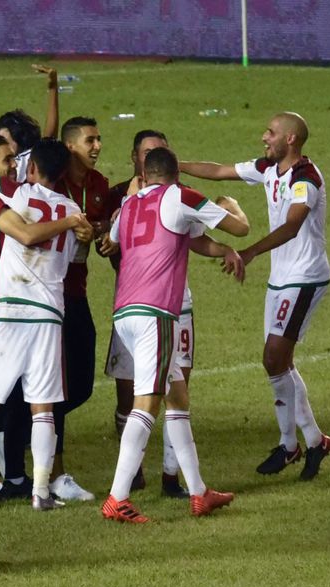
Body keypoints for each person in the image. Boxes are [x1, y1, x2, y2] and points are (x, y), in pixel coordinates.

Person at [179, 112, 330, 480]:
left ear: (291, 139)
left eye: (272, 132)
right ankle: (312, 441)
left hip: (304, 277)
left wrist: (249, 252)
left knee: (273, 358)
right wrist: (175, 166)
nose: (264, 137)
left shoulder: (305, 179)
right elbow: (219, 171)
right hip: (282, 279)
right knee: (280, 362)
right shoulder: (268, 168)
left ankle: (290, 445)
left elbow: (293, 226)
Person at [101, 146, 249, 523]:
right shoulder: (181, 196)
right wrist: (230, 204)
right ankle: (117, 498)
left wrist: (222, 250)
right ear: (174, 174)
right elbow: (239, 227)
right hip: (156, 312)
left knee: (177, 395)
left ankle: (199, 492)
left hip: (124, 310)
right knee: (147, 402)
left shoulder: (128, 204)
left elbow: (180, 239)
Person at [0, 139, 94, 509]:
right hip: (49, 314)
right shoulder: (73, 211)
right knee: (43, 408)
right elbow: (76, 258)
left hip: (8, 308)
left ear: (32, 168)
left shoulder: (16, 194)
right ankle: (40, 491)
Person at [104, 129, 194, 498]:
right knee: (140, 399)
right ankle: (122, 490)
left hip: (168, 306)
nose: (154, 156)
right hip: (146, 309)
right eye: (147, 152)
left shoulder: (173, 194)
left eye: (160, 150)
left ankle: (185, 483)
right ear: (135, 158)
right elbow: (107, 245)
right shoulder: (124, 198)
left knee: (178, 395)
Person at [39, 115, 112, 502]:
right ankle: (54, 471)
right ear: (69, 147)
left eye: (98, 139)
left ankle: (19, 435)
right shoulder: (54, 182)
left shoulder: (97, 185)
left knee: (80, 385)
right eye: (89, 140)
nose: (97, 146)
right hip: (49, 295)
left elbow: (98, 225)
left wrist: (99, 235)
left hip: (77, 294)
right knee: (56, 385)